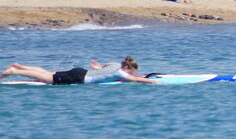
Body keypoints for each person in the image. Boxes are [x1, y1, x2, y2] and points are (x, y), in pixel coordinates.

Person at [2, 56, 157, 85]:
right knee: (47, 79)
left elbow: (104, 67)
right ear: (127, 68)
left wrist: (98, 68)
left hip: (80, 72)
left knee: (48, 73)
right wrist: (151, 81)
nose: (131, 74)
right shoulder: (121, 72)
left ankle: (20, 66)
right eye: (131, 71)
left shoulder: (115, 64)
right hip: (80, 79)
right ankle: (14, 72)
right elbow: (135, 79)